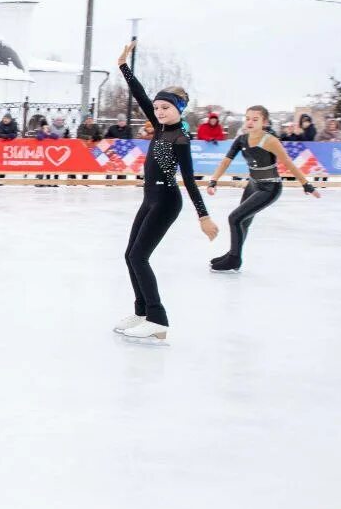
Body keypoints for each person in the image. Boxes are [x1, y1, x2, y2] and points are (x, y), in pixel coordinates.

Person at [114, 41, 218, 343]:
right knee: (130, 255)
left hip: (166, 201)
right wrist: (123, 65)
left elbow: (188, 178)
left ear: (179, 110)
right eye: (157, 108)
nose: (158, 112)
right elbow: (141, 95)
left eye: (165, 108)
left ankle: (158, 319)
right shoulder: (160, 128)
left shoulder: (180, 138)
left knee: (139, 257)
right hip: (150, 198)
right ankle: (142, 312)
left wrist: (204, 216)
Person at [204, 105, 319, 273]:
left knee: (234, 218)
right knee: (244, 222)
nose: (250, 122)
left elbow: (288, 163)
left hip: (270, 187)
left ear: (264, 122)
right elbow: (226, 161)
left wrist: (306, 184)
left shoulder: (270, 140)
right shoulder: (241, 139)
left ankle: (234, 259)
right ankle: (233, 253)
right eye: (248, 118)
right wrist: (213, 180)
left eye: (255, 119)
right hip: (253, 184)